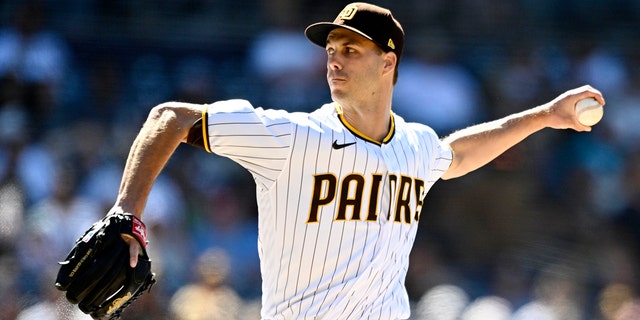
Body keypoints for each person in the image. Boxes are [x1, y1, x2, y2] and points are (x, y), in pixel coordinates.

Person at [109, 3, 604, 319]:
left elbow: (458, 154)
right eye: (331, 49)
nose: (334, 60)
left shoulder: (415, 144)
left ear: (388, 63)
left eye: (351, 49)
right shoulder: (294, 136)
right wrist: (125, 216)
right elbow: (168, 117)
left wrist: (544, 115)